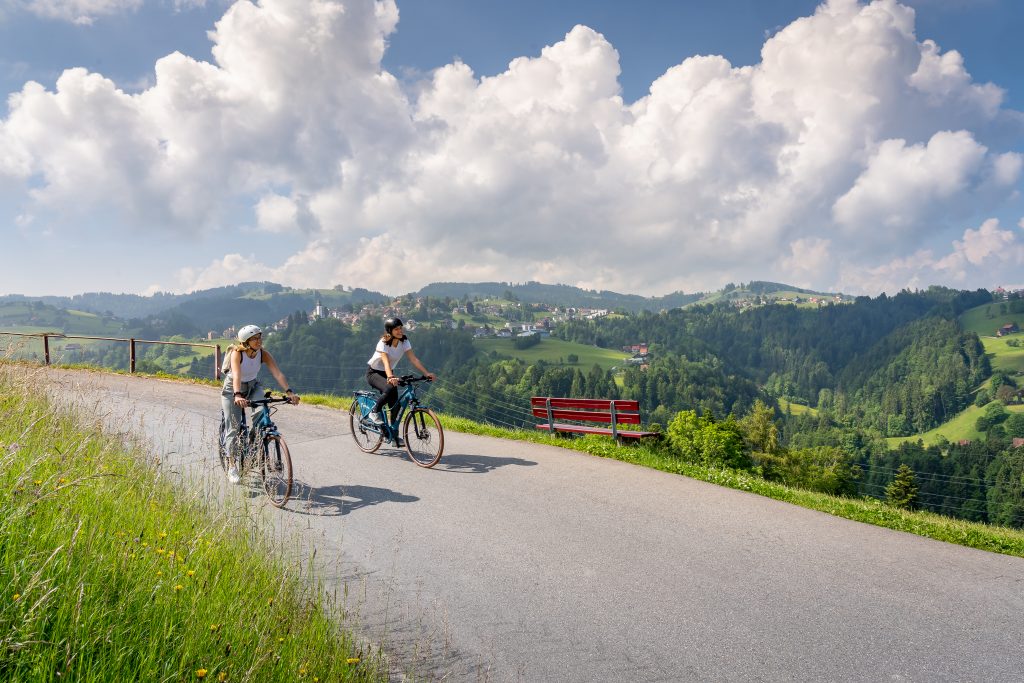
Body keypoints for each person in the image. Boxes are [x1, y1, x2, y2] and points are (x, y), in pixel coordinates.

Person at [221, 324, 299, 484]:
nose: (259, 341)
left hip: (252, 385)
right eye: (254, 339)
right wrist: (237, 394)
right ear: (245, 342)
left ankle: (255, 442)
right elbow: (236, 375)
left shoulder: (263, 354)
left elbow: (277, 373)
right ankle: (232, 466)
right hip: (232, 389)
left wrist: (289, 392)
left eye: (259, 337)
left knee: (262, 413)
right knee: (233, 428)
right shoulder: (237, 354)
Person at [366, 317, 435, 447]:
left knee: (396, 404)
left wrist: (426, 373)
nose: (400, 331)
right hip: (374, 373)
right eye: (396, 329)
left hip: (388, 374)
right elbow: (386, 362)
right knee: (390, 389)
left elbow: (413, 359)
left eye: (400, 328)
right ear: (390, 331)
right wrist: (391, 376)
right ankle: (374, 412)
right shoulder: (383, 342)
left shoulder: (404, 341)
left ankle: (393, 436)